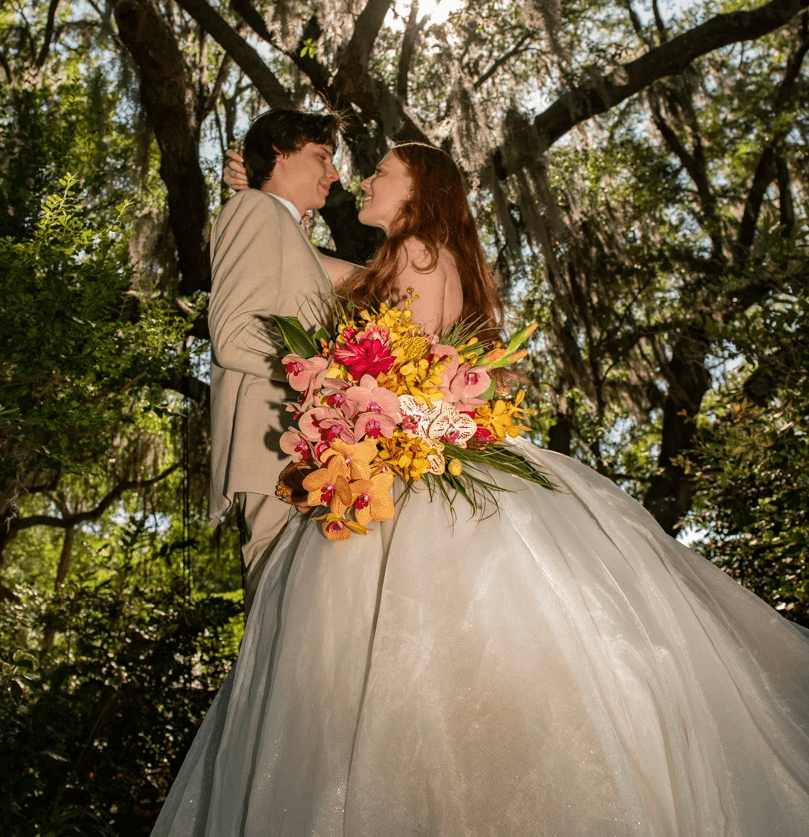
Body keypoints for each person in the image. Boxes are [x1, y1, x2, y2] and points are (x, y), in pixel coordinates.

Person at [154, 142, 809, 837]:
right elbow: (304, 263)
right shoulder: (411, 258)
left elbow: (401, 368)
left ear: (418, 192)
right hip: (414, 451)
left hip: (414, 467)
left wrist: (353, 405)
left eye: (382, 173)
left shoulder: (420, 255)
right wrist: (263, 190)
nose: (364, 181)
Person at [208, 108, 342, 604]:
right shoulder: (255, 210)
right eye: (322, 156)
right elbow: (232, 333)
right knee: (279, 615)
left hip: (303, 451)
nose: (334, 173)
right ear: (280, 154)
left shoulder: (289, 231)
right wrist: (330, 379)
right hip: (272, 453)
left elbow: (373, 277)